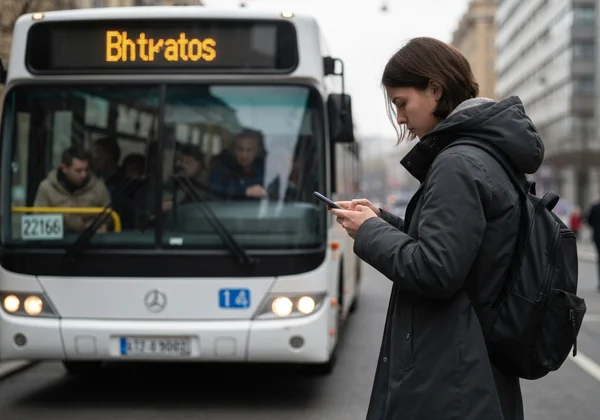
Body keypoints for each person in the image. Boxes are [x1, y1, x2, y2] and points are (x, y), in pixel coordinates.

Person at [329, 37, 544, 420]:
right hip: (473, 359)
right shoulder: (485, 154)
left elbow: (437, 270)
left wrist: (369, 233)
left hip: (449, 371)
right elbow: (458, 248)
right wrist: (381, 220)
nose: (399, 118)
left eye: (401, 102)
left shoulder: (457, 163)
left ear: (435, 88)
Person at [34, 145, 111, 233]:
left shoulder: (98, 187)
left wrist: (101, 224)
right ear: (64, 168)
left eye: (86, 169)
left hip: (90, 241)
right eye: (78, 170)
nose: (84, 175)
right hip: (57, 243)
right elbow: (38, 218)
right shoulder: (46, 188)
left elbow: (110, 214)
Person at [208, 128, 268, 199]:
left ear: (258, 151)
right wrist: (244, 191)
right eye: (240, 149)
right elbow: (213, 190)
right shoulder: (221, 166)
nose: (244, 155)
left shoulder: (267, 168)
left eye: (249, 150)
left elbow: (276, 192)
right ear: (233, 150)